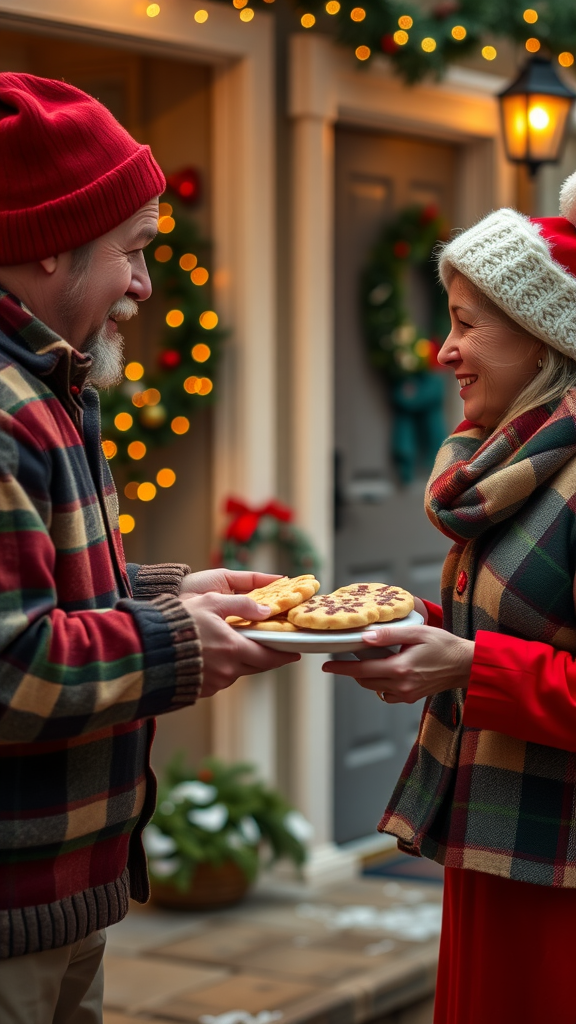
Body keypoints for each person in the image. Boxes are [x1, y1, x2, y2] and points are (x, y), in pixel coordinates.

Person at [0, 73, 299, 1022]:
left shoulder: (50, 384)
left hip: (54, 909)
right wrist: (182, 640)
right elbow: (12, 668)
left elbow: (41, 592)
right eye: (134, 252)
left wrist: (174, 588)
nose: (144, 283)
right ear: (51, 245)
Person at [327, 176, 576, 1023]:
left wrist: (469, 664)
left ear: (544, 343)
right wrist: (417, 628)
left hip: (559, 884)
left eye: (467, 324)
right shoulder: (513, 465)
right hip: (496, 852)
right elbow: (528, 628)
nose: (444, 350)